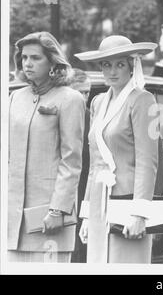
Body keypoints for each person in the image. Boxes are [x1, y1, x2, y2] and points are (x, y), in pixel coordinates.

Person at [75, 35, 163, 263]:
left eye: (120, 64)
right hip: (98, 205)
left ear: (132, 66)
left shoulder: (144, 101)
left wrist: (140, 213)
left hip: (128, 205)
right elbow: (95, 163)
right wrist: (86, 215)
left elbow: (148, 161)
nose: (112, 71)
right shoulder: (97, 102)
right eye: (106, 64)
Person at [8, 31, 85, 262]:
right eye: (24, 58)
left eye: (35, 58)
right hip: (11, 220)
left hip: (48, 219)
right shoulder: (15, 97)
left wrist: (58, 210)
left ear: (53, 62)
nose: (28, 63)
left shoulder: (71, 99)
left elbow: (71, 160)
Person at [68, 68, 91, 263]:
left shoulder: (92, 117)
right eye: (80, 92)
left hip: (85, 189)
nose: (84, 97)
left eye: (87, 92)